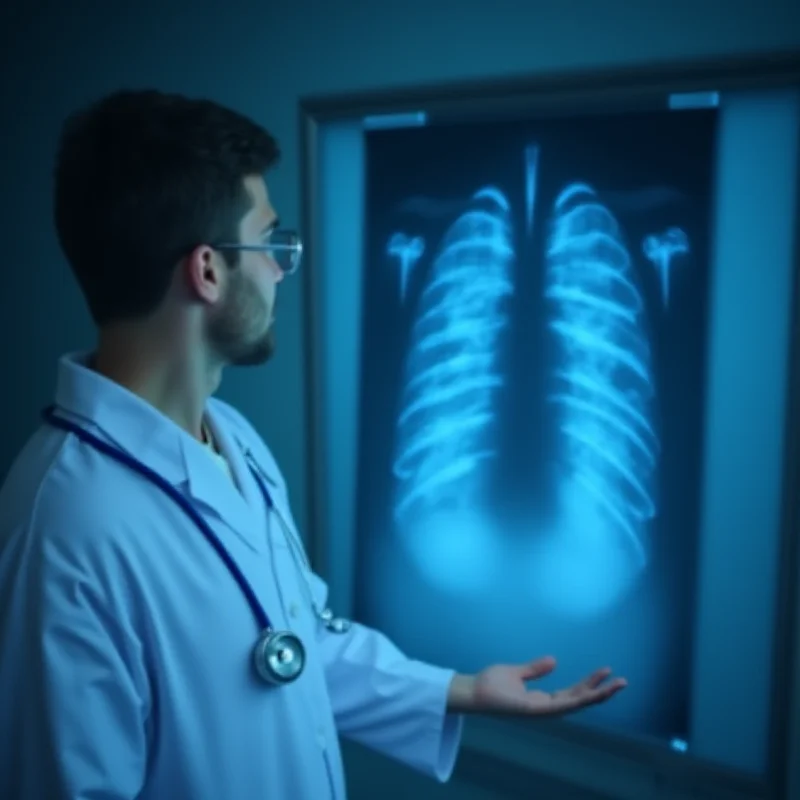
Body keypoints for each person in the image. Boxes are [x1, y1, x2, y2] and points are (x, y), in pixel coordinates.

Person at [0, 90, 627, 799]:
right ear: (207, 270)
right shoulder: (67, 527)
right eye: (271, 243)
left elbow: (294, 644)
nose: (280, 268)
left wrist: (464, 690)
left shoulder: (232, 440)